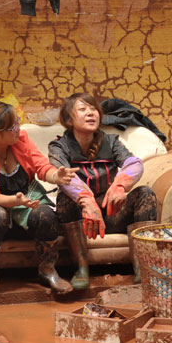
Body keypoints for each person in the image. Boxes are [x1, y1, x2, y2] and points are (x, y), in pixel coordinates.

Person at [0, 101, 77, 300]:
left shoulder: (21, 139)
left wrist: (56, 176)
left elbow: (41, 166)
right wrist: (15, 201)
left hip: (26, 208)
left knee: (46, 214)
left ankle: (48, 270)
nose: (18, 128)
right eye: (12, 126)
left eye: (17, 122)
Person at [49, 93, 158, 289]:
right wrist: (87, 201)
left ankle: (143, 267)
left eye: (94, 110)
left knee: (145, 194)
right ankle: (82, 267)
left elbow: (134, 164)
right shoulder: (59, 146)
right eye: (83, 110)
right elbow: (64, 178)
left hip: (111, 213)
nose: (91, 114)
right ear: (68, 120)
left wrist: (119, 185)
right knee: (64, 199)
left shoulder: (111, 141)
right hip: (83, 220)